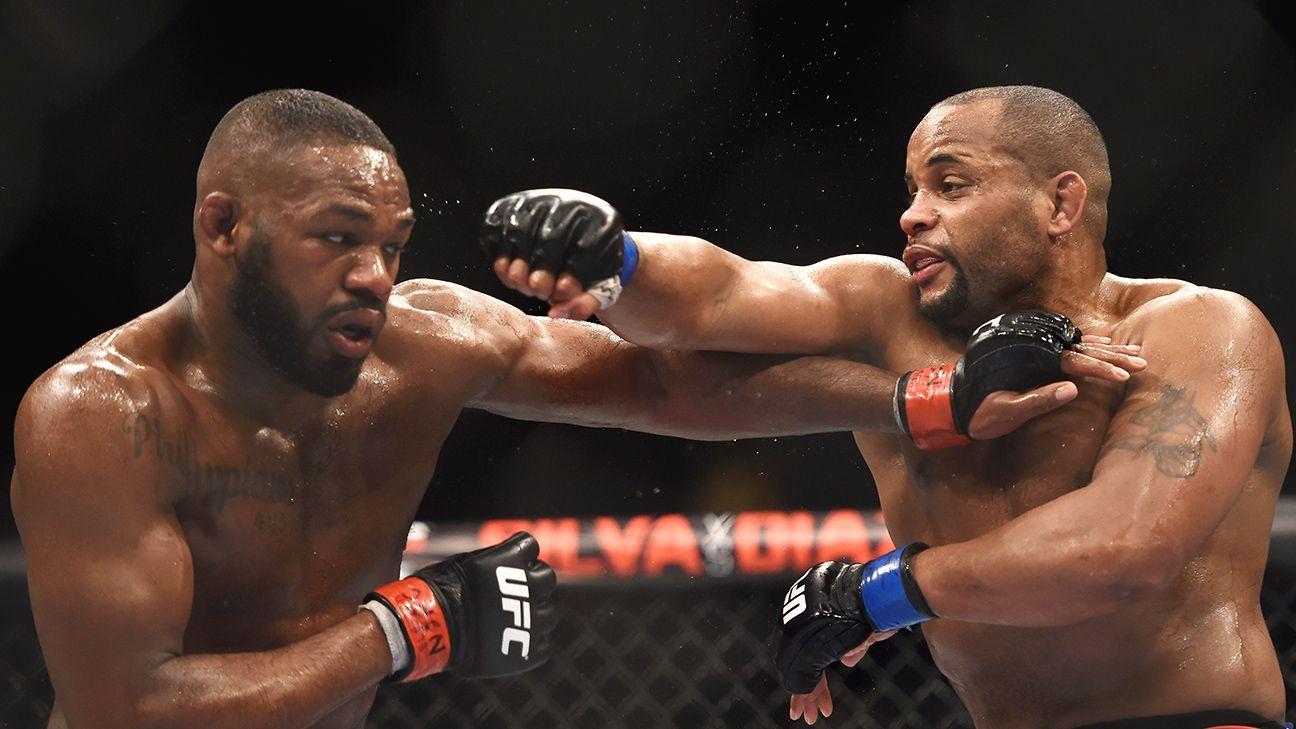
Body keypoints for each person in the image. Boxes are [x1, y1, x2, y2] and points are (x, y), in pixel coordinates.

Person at [9, 90, 1138, 729]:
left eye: (391, 245)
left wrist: (923, 402)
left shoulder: (427, 340)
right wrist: (400, 631)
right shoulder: (100, 414)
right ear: (224, 231)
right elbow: (126, 710)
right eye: (338, 239)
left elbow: (663, 379)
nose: (372, 274)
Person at [482, 85, 1293, 728]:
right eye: (911, 189)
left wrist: (875, 593)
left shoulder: (1198, 329)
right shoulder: (887, 315)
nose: (913, 213)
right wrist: (619, 257)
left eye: (951, 184)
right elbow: (726, 293)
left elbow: (1124, 549)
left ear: (1061, 204)